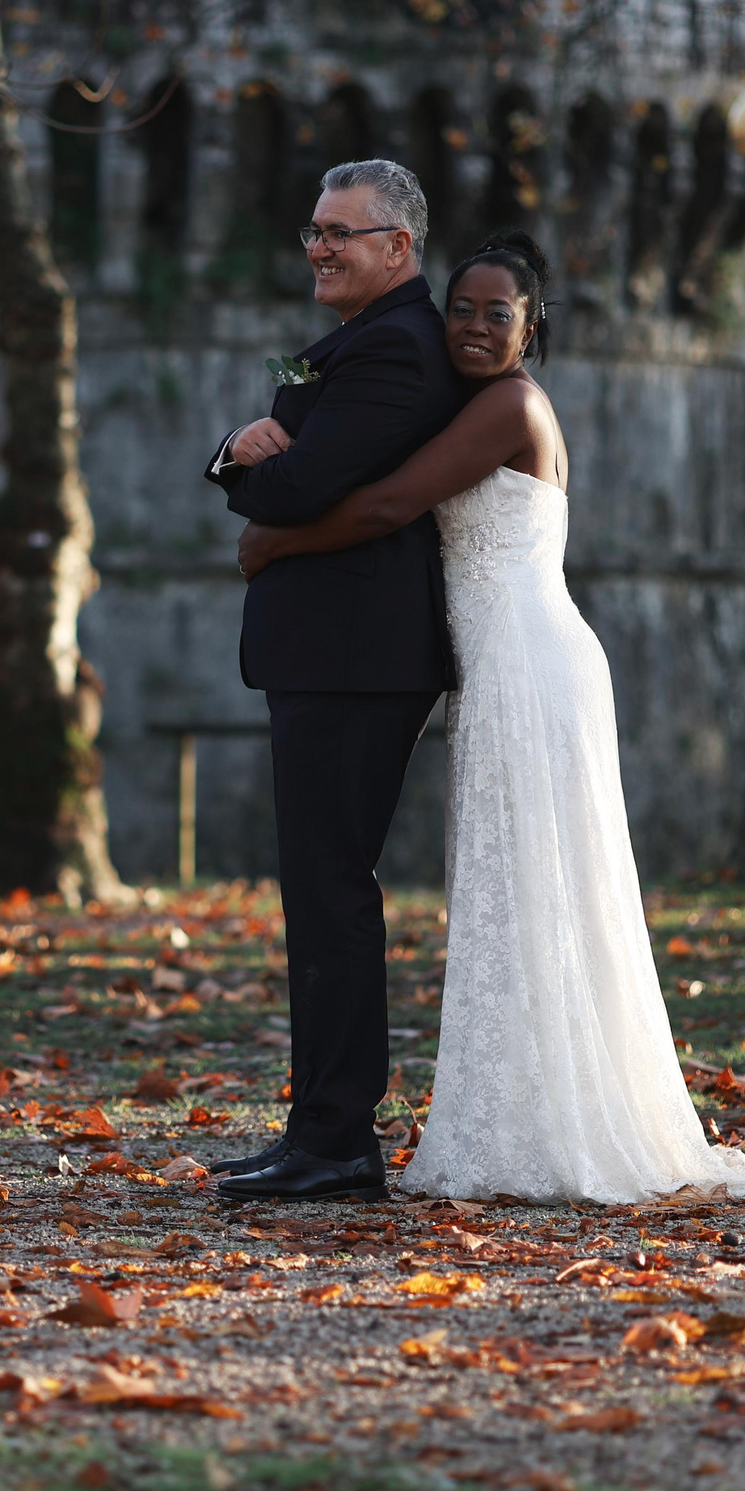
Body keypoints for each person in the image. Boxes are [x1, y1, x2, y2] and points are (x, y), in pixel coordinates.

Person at [234, 231, 745, 1204]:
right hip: (500, 667)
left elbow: (388, 506)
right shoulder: (467, 397)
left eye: (496, 314)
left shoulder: (509, 404)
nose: (471, 327)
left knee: (535, 885)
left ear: (532, 328)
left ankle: (555, 1124)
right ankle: (526, 1111)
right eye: (459, 309)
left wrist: (268, 545)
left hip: (531, 664)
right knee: (520, 890)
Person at [201, 159, 460, 1202]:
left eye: (339, 233)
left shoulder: (396, 351)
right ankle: (316, 1128)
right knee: (317, 897)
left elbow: (302, 487)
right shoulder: (357, 344)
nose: (317, 246)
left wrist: (258, 471)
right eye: (312, 229)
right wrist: (238, 453)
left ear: (397, 248)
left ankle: (338, 1140)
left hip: (356, 661)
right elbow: (273, 470)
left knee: (332, 897)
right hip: (330, 658)